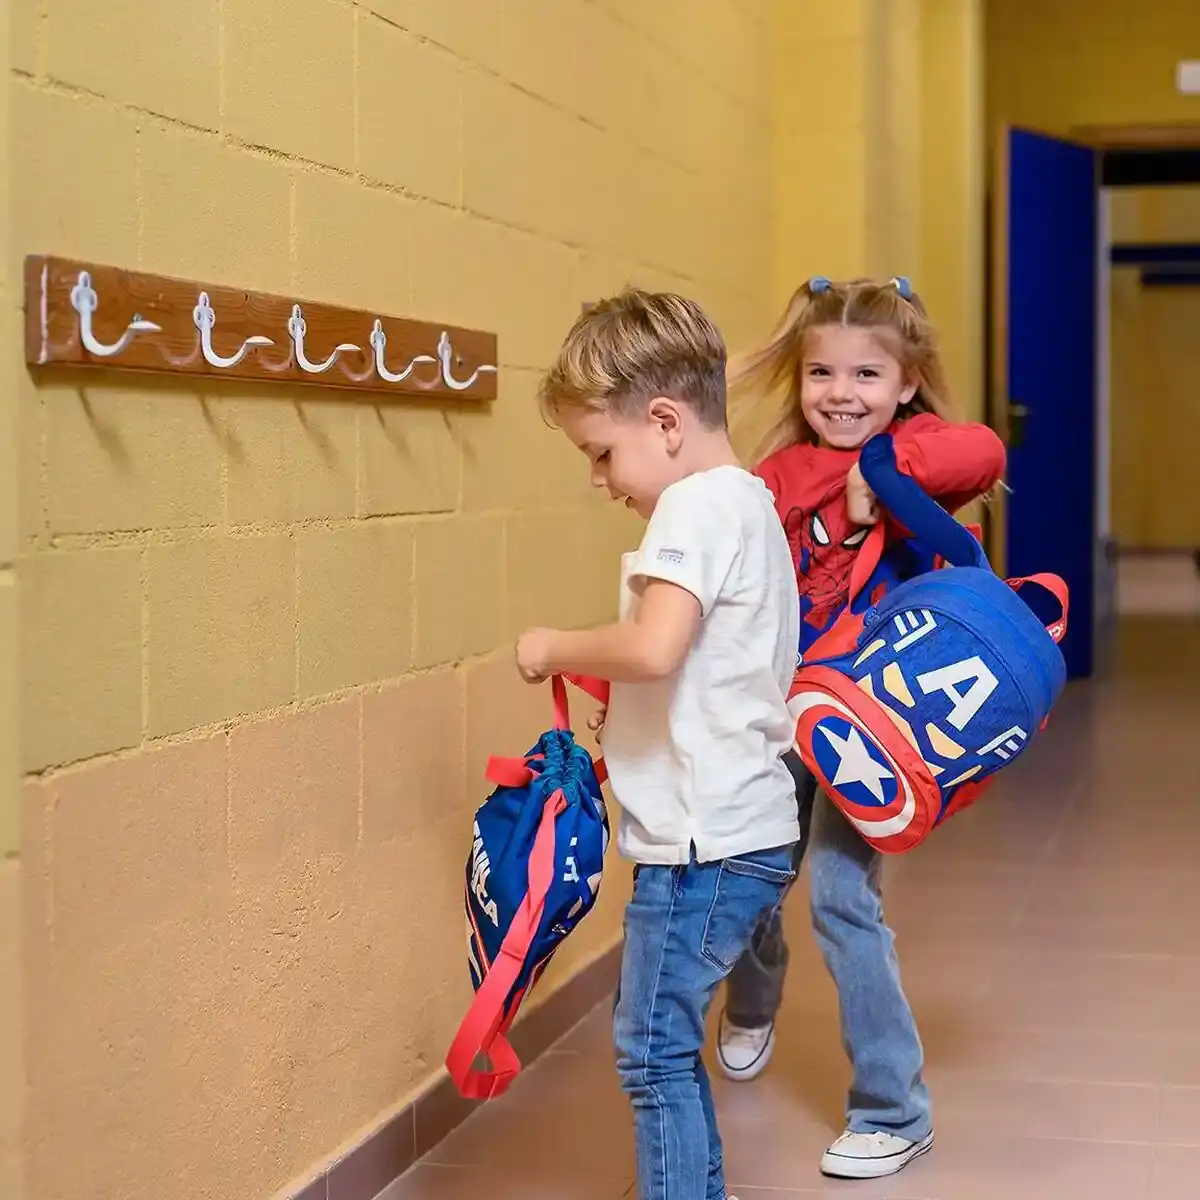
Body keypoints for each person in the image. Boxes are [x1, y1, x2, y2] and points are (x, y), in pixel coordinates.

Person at [514, 288, 803, 1200]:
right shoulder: (748, 503)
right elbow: (705, 664)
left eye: (601, 453)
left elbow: (654, 647)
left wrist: (554, 647)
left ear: (666, 422)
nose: (601, 481)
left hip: (700, 842)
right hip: (741, 827)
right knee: (664, 1040)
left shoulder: (692, 508)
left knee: (649, 1049)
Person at [716, 275, 1007, 1181]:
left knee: (842, 896)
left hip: (869, 725)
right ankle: (754, 997)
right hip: (780, 709)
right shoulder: (774, 477)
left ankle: (893, 1108)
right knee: (754, 877)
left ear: (907, 382)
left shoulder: (911, 457)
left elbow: (983, 450)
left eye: (867, 375)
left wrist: (877, 476)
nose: (841, 394)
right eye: (822, 374)